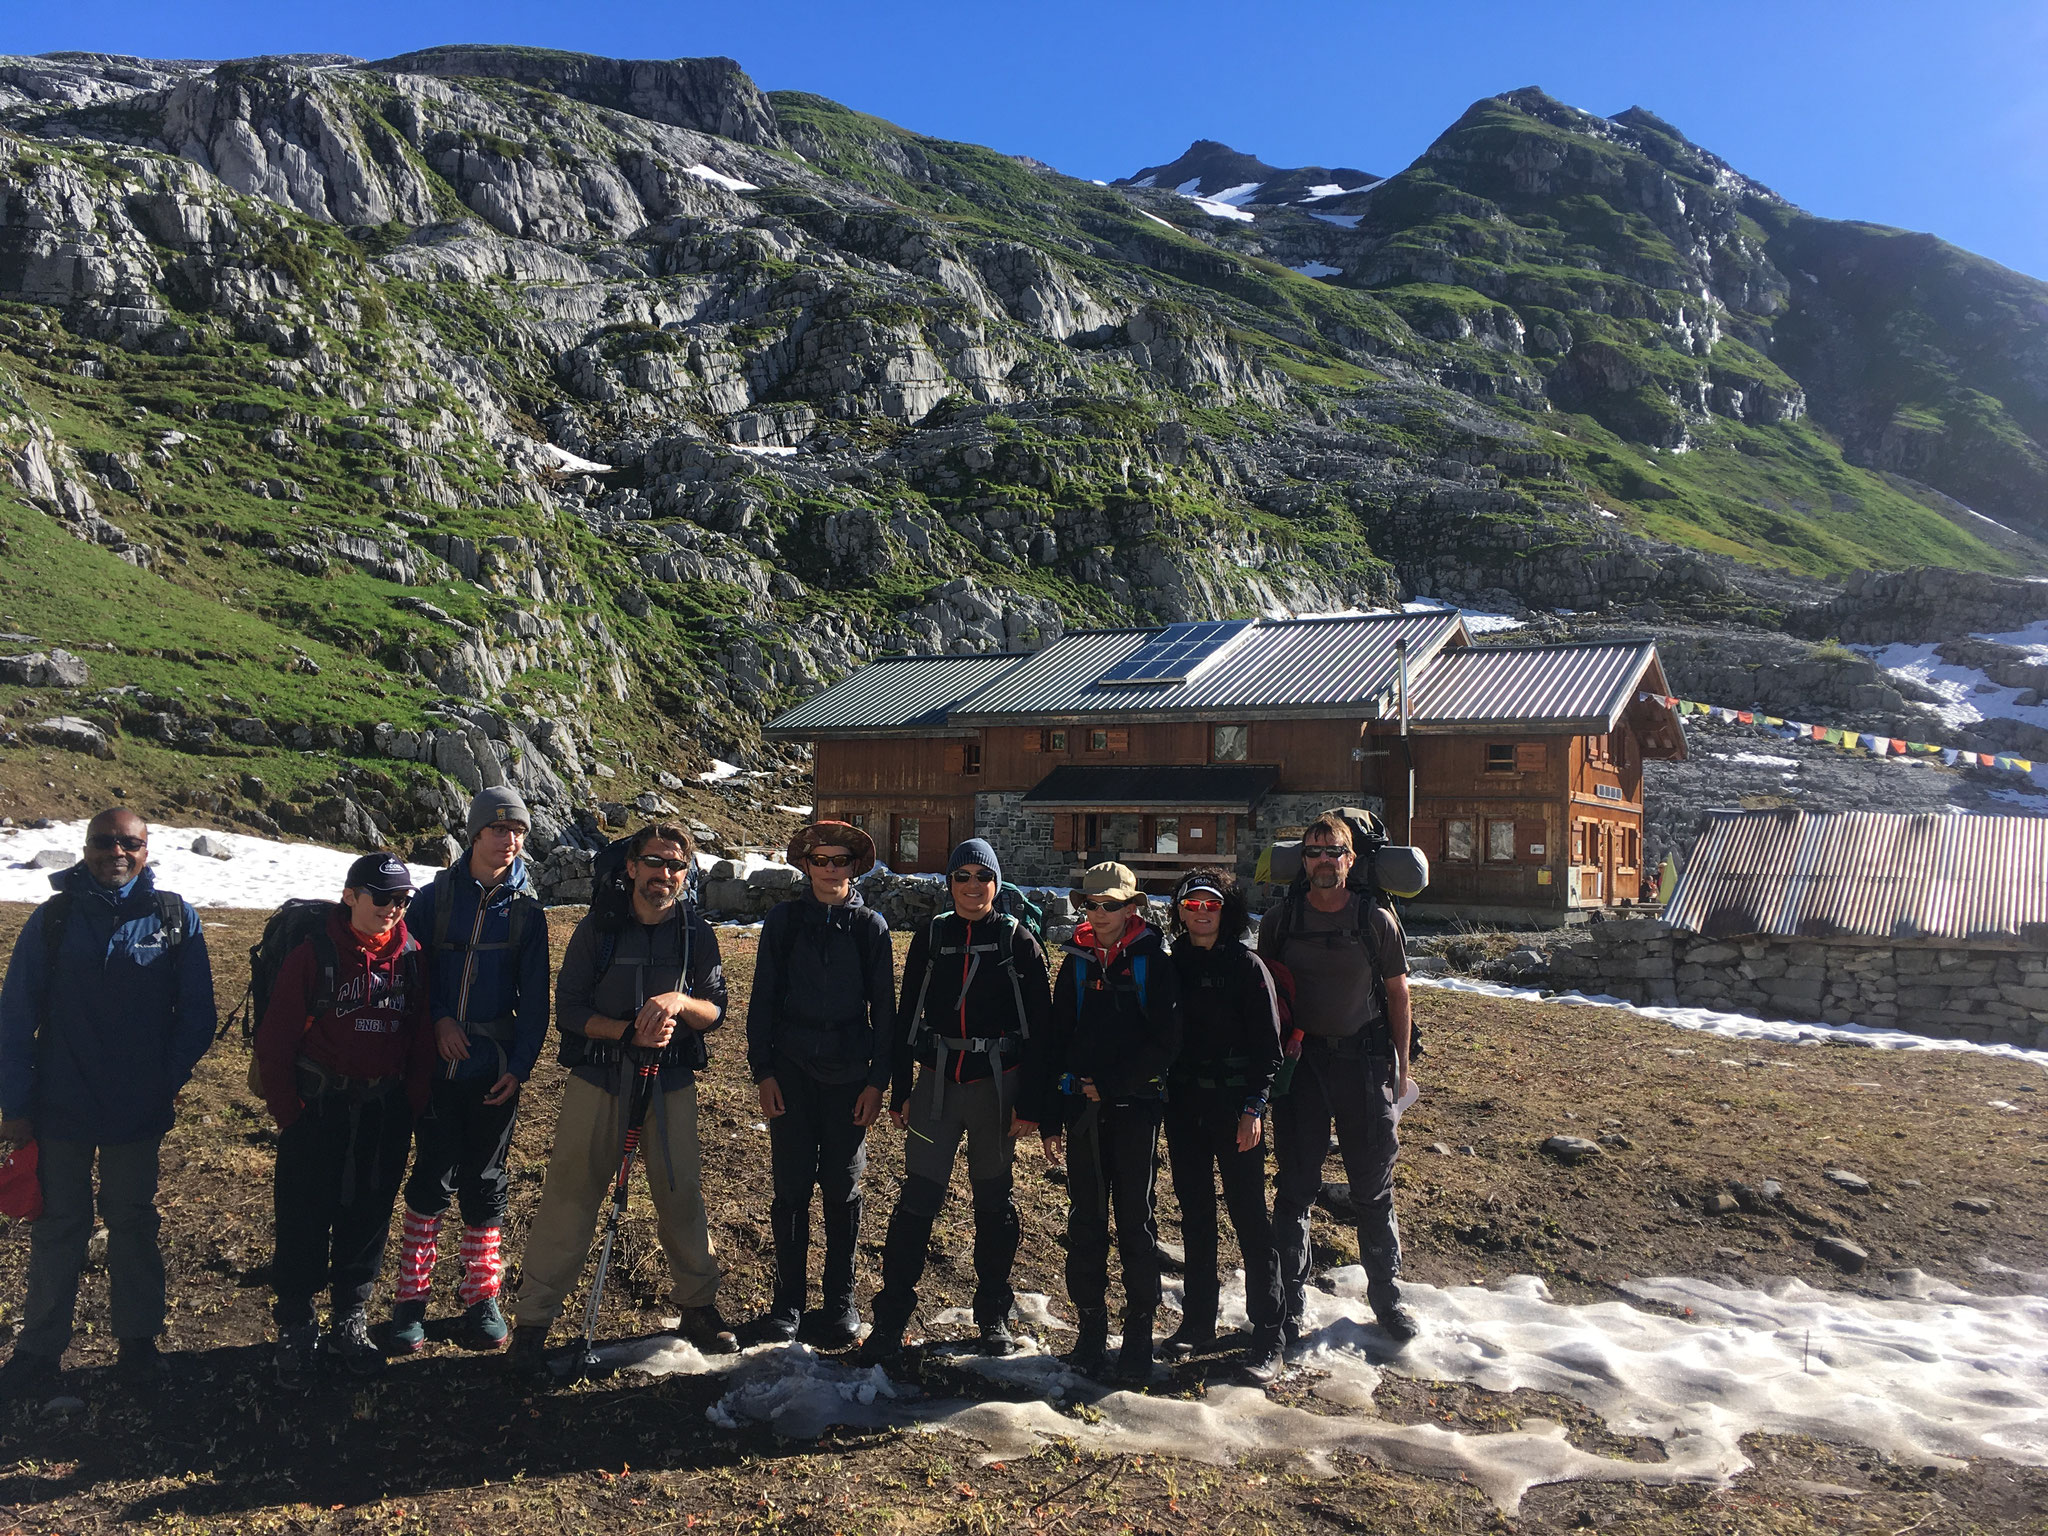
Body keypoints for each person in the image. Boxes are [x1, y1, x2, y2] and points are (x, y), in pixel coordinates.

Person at [506, 823, 735, 1379]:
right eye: (654, 863)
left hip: (671, 1084)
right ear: (631, 867)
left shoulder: (694, 933)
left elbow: (717, 1010)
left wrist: (681, 1001)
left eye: (676, 866)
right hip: (599, 1082)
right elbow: (571, 1011)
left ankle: (699, 1310)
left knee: (682, 1194)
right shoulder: (597, 930)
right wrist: (627, 1031)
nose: (664, 875)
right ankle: (533, 1324)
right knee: (570, 1195)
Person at [0, 809, 215, 1397]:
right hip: (60, 1104)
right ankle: (39, 1350)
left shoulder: (174, 918)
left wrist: (160, 1083)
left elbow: (197, 1018)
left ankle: (139, 1345)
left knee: (133, 1222)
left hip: (135, 1111)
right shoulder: (54, 919)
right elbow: (15, 1016)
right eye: (103, 842)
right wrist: (14, 1106)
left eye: (129, 843)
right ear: (85, 847)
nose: (115, 852)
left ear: (146, 850)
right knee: (58, 1226)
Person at [861, 837, 1051, 1365]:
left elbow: (1042, 1030)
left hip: (998, 1087)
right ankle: (891, 1317)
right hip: (936, 1086)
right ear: (949, 882)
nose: (972, 886)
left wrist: (1033, 1103)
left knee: (993, 1201)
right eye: (962, 875)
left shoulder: (1018, 942)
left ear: (997, 882)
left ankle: (993, 1313)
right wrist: (901, 1089)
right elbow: (905, 1017)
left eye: (982, 876)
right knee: (917, 1200)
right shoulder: (933, 936)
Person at [256, 852, 436, 1385]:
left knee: (370, 1213)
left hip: (383, 1111)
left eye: (402, 899)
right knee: (304, 1212)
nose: (392, 909)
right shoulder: (314, 953)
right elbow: (275, 1040)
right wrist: (289, 1113)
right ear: (350, 895)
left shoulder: (412, 957)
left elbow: (421, 1039)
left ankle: (349, 1318)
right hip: (318, 1107)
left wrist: (413, 1105)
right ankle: (295, 1322)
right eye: (381, 897)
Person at [389, 787, 551, 1353]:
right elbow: (414, 971)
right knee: (431, 1178)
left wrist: (521, 1068)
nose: (510, 841)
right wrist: (437, 1022)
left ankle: (481, 1297)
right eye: (499, 830)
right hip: (436, 1068)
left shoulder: (529, 913)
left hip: (494, 1070)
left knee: (485, 1182)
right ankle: (411, 1299)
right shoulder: (434, 899)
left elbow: (535, 1002)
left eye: (519, 832)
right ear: (475, 834)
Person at [1256, 813, 1418, 1345]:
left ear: (1351, 860)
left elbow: (1398, 994)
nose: (1324, 861)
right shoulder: (1281, 920)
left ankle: (1387, 1298)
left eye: (1334, 852)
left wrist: (1401, 1067)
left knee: (1372, 1186)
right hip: (1302, 1068)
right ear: (1302, 863)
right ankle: (1291, 1303)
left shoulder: (1375, 920)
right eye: (1314, 852)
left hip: (1363, 1064)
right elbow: (1265, 994)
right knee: (1296, 1187)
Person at [743, 821, 894, 1347]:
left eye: (840, 861)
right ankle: (787, 1301)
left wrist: (879, 1083)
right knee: (790, 1187)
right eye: (821, 860)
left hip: (850, 1076)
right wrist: (762, 1071)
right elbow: (761, 1001)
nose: (830, 869)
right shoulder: (782, 922)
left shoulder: (870, 927)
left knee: (842, 1186)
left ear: (855, 867)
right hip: (790, 1072)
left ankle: (839, 1301)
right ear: (805, 865)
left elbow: (886, 1012)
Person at [1041, 861, 1180, 1381]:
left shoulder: (1154, 964)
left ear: (1132, 907)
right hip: (1081, 1111)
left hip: (1135, 1110)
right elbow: (1056, 1041)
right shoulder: (1075, 963)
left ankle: (1139, 1337)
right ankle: (1091, 1333)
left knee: (1136, 1224)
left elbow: (1167, 1043)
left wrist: (1114, 1084)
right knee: (1086, 1221)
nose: (1100, 914)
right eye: (1091, 905)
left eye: (1111, 905)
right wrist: (1053, 1115)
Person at [1162, 868, 1287, 1382]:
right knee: (1195, 1217)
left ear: (1226, 909)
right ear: (1180, 912)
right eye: (1191, 905)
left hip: (1238, 1112)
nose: (1201, 912)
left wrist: (1254, 1108)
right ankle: (1198, 1322)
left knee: (1250, 1219)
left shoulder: (1248, 966)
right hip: (1185, 1109)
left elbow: (1270, 1052)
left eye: (1210, 904)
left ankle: (1269, 1332)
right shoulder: (1173, 965)